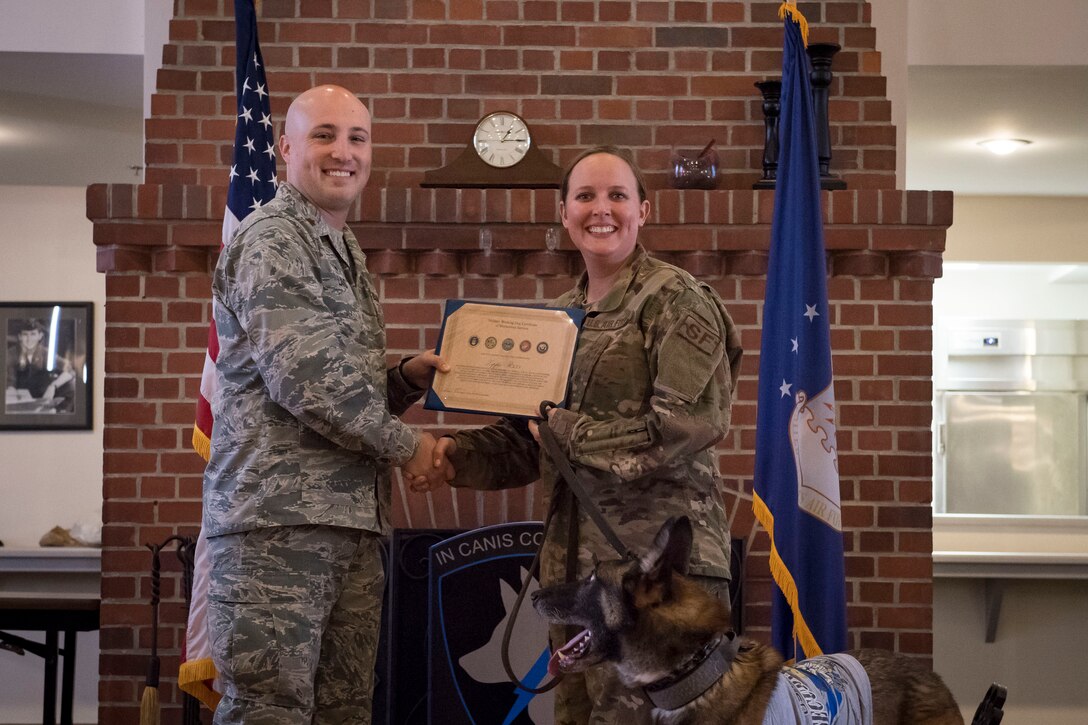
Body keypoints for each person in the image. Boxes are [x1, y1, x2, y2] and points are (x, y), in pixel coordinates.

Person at [412, 146, 743, 724]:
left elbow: (685, 428)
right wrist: (452, 458)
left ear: (645, 209)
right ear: (563, 212)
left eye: (618, 195)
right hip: (581, 582)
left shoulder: (676, 300)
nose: (602, 209)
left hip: (658, 582)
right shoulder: (558, 320)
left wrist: (565, 428)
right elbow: (531, 441)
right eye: (585, 196)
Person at [202, 84, 445, 725]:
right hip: (277, 529)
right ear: (285, 148)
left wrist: (404, 377)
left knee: (343, 711)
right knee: (270, 712)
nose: (344, 152)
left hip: (350, 526)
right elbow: (307, 381)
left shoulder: (342, 249)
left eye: (357, 138)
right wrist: (409, 446)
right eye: (324, 135)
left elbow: (338, 378)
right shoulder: (273, 240)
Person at [5, 318, 76, 412]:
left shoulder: (46, 353)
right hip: (17, 396)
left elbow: (70, 370)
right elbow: (10, 381)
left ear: (40, 336)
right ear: (20, 336)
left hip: (41, 395)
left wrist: (53, 386)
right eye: (25, 334)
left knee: (72, 384)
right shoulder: (10, 353)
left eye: (33, 334)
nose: (29, 339)